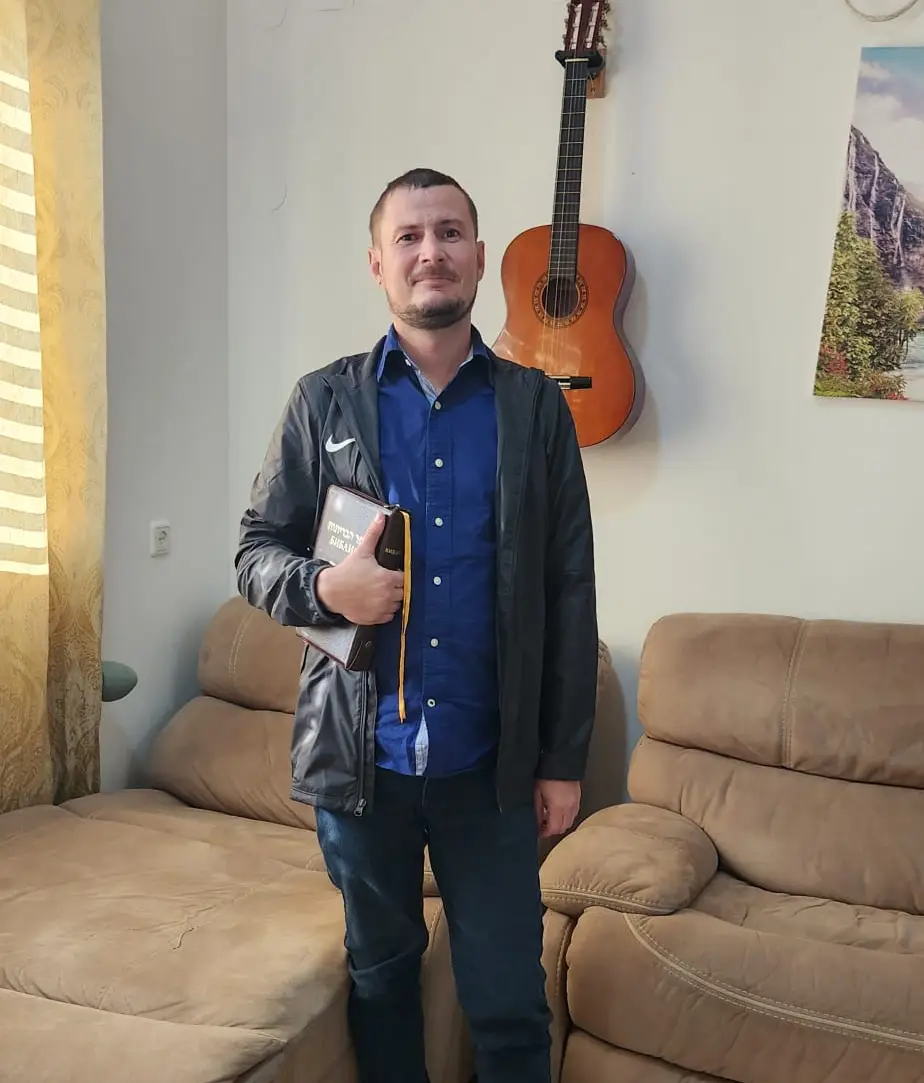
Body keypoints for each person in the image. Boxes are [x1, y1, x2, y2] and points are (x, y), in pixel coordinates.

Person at [235, 167, 598, 1083]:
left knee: (510, 1003)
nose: (429, 251)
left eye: (448, 233)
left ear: (480, 257)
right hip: (364, 772)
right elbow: (254, 551)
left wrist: (562, 759)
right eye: (409, 236)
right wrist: (327, 589)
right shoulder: (325, 401)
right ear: (377, 263)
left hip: (491, 768)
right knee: (383, 983)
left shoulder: (536, 408)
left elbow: (568, 587)